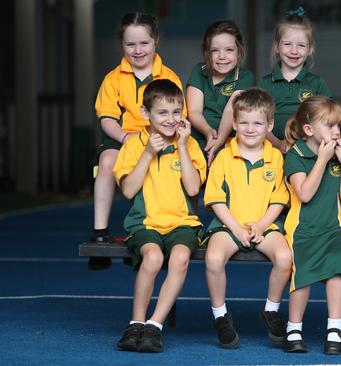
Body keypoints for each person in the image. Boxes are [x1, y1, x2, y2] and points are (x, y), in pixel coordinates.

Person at [113, 79, 206, 353]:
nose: (170, 119)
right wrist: (149, 152)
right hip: (146, 223)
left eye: (176, 112)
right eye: (162, 113)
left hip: (182, 224)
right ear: (146, 114)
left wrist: (182, 146)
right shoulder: (134, 145)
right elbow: (128, 190)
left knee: (179, 257)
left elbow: (193, 188)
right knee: (152, 257)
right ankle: (136, 323)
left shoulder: (188, 145)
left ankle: (155, 325)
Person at [90, 12, 185, 270]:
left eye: (144, 43)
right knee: (108, 159)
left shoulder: (169, 76)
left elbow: (177, 115)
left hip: (160, 136)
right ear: (122, 45)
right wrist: (125, 137)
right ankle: (100, 232)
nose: (138, 50)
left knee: (167, 166)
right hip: (125, 138)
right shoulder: (113, 79)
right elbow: (107, 119)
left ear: (156, 42)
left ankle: (167, 228)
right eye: (130, 44)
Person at [203, 88, 292, 349]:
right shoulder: (223, 157)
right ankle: (220, 316)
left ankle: (272, 310)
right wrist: (237, 229)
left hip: (265, 224)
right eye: (244, 122)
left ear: (270, 125)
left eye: (257, 123)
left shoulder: (275, 157)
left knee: (285, 258)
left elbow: (279, 198)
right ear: (234, 123)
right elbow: (216, 199)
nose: (250, 129)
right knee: (213, 258)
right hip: (228, 224)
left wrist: (261, 225)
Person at [282, 97, 341, 354]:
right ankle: (294, 329)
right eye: (330, 125)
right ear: (309, 130)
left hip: (333, 227)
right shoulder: (296, 154)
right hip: (303, 229)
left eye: (339, 126)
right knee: (302, 274)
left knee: (337, 269)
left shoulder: (338, 155)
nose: (337, 132)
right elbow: (304, 193)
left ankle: (334, 329)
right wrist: (323, 160)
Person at [259, 6, 331, 153]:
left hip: (310, 151)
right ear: (277, 47)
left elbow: (327, 121)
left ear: (310, 49)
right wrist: (278, 144)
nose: (294, 51)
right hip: (270, 150)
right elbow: (257, 121)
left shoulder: (317, 84)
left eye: (301, 45)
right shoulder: (264, 84)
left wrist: (306, 145)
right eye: (287, 44)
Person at [186, 20, 254, 165]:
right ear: (206, 52)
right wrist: (207, 130)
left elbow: (232, 109)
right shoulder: (199, 71)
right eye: (215, 50)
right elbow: (194, 110)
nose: (222, 56)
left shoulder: (245, 76)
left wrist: (219, 141)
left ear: (239, 51)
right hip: (198, 139)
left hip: (230, 142)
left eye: (229, 50)